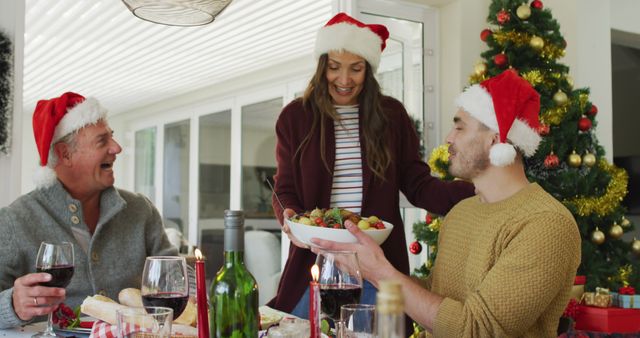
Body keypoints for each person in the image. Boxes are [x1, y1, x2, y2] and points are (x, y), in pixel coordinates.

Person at [313, 70, 582, 337]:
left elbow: (477, 330)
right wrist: (365, 268)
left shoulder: (546, 224)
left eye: (460, 127)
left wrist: (381, 273)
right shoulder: (461, 213)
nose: (449, 138)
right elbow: (435, 298)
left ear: (495, 139)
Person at [268, 12, 475, 319]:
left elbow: (417, 184)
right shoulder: (295, 117)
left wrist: (475, 190)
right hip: (315, 262)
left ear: (368, 69)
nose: (344, 79)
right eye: (335, 68)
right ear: (323, 65)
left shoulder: (391, 115)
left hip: (378, 262)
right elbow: (284, 187)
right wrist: (289, 215)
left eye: (356, 68)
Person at [0, 92, 177, 329]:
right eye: (102, 141)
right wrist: (12, 305)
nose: (116, 148)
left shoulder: (140, 210)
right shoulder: (14, 220)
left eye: (111, 138)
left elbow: (176, 279)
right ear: (65, 154)